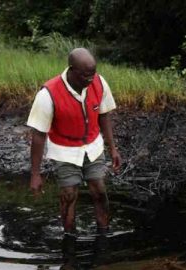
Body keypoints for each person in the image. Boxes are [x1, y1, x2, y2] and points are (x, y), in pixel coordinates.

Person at [27, 48, 122, 236]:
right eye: (85, 75)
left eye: (92, 74)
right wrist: (35, 174)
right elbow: (38, 135)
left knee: (100, 192)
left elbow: (104, 116)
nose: (90, 79)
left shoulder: (99, 82)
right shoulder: (48, 94)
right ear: (71, 70)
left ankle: (104, 233)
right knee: (69, 195)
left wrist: (113, 148)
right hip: (64, 150)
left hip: (93, 147)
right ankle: (69, 240)